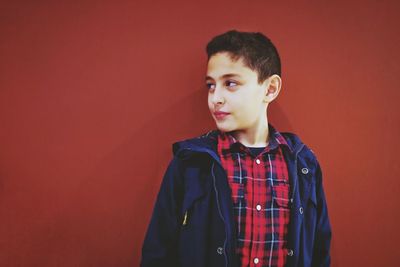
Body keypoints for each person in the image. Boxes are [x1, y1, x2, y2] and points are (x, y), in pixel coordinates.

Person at [140, 30, 331, 267]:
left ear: (270, 89)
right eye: (211, 85)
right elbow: (158, 253)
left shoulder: (304, 165)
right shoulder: (191, 164)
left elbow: (319, 251)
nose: (215, 98)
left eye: (230, 83)